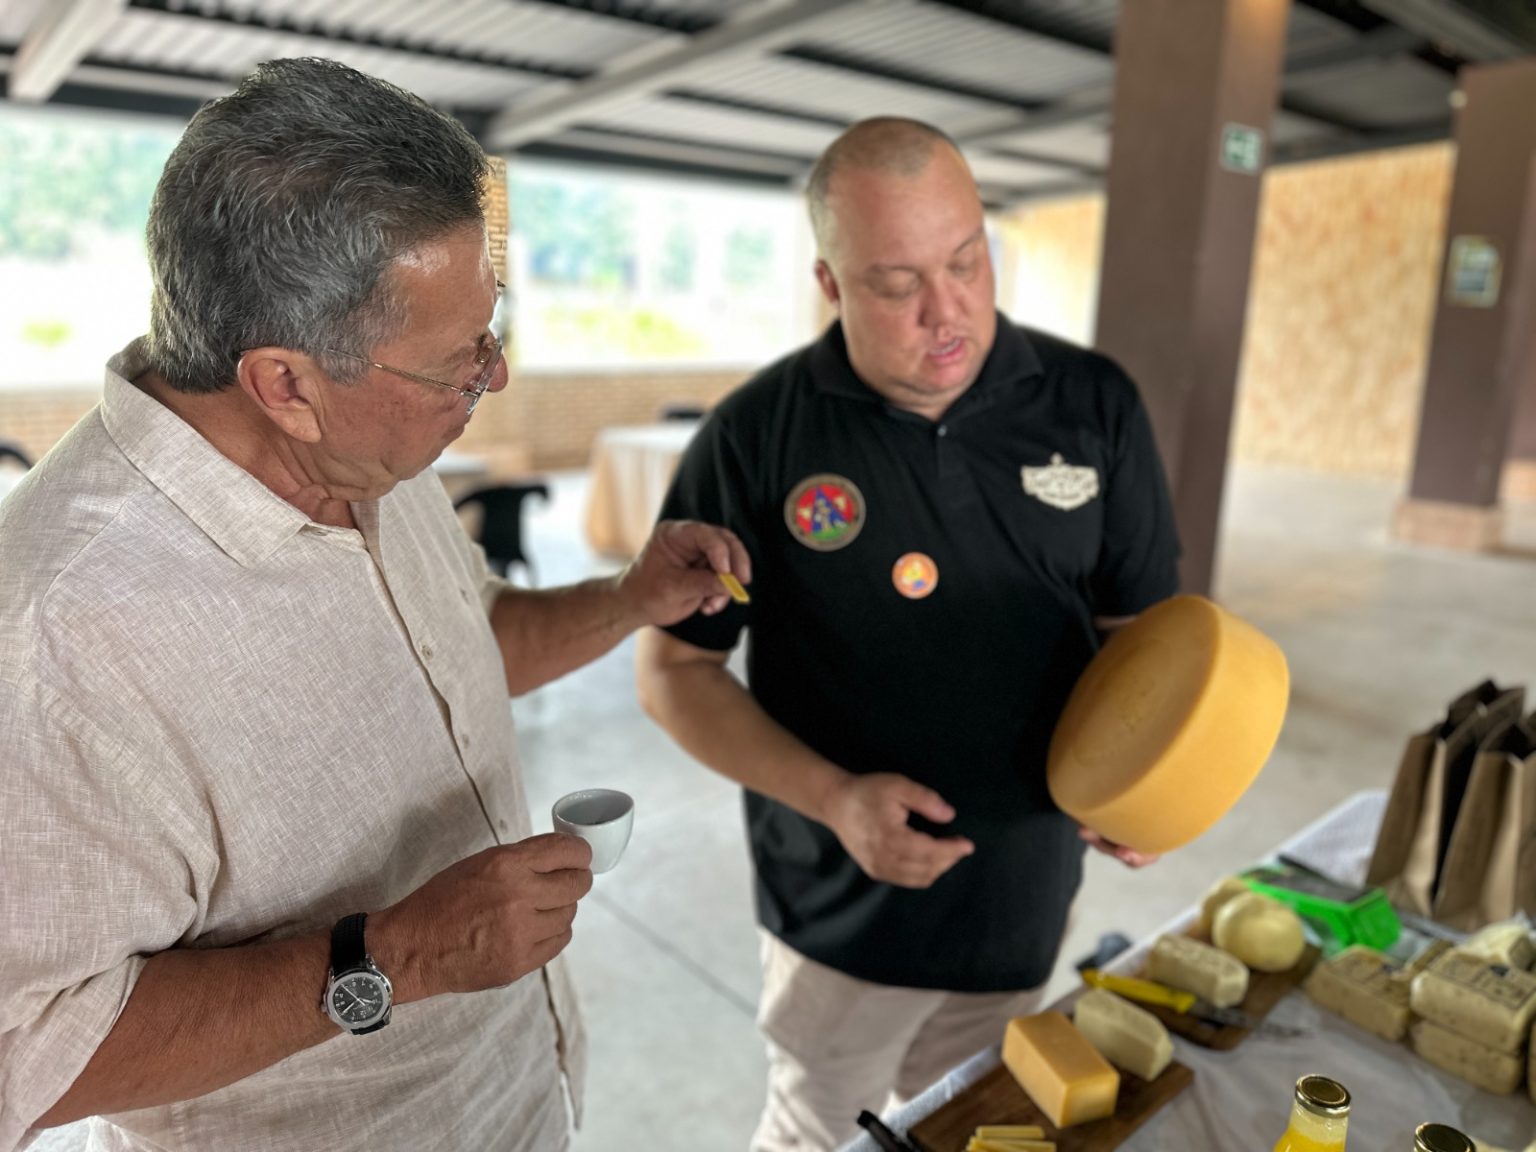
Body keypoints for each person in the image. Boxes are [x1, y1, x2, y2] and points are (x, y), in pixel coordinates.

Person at [0, 58, 747, 1152]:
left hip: (517, 1098)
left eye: (494, 332)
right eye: (457, 362)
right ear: (285, 384)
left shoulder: (366, 457)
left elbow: (466, 645)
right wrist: (394, 958)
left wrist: (632, 598)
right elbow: (26, 1052)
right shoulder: (57, 638)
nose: (490, 381)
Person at [635, 117, 1181, 1151]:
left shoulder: (1093, 402)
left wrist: (1144, 779)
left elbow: (1138, 634)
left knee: (975, 1122)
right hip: (838, 910)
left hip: (1023, 894)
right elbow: (673, 671)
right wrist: (835, 799)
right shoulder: (756, 438)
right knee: (818, 1129)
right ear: (831, 285)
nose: (949, 310)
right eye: (897, 283)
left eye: (967, 260)